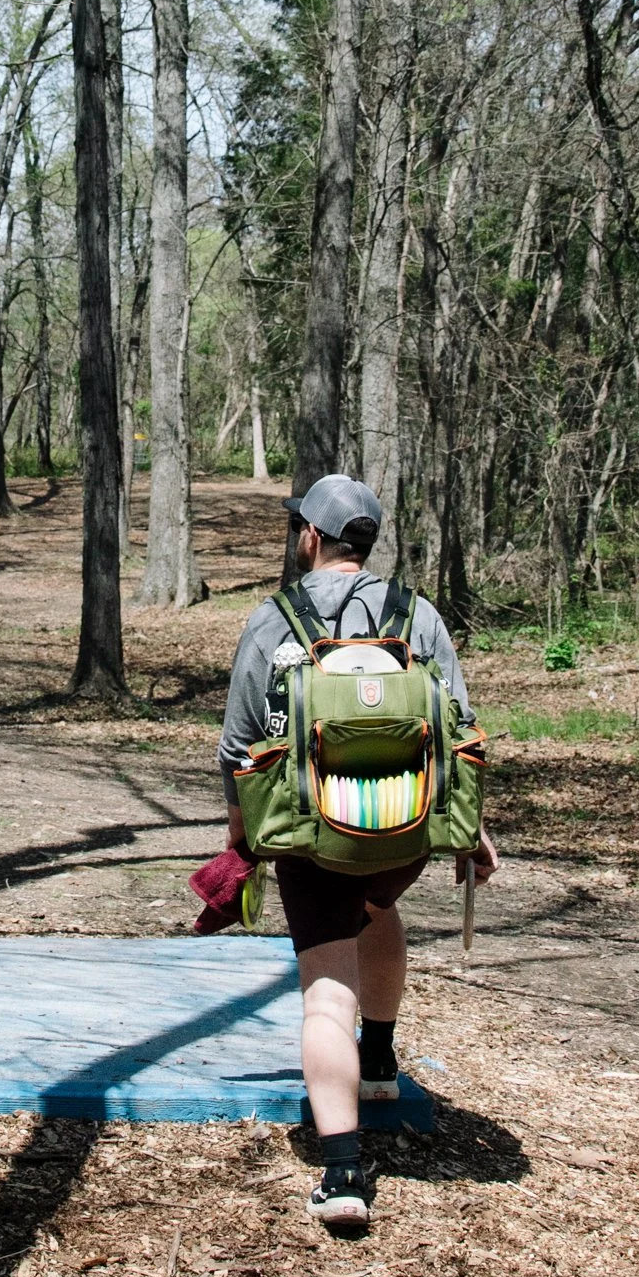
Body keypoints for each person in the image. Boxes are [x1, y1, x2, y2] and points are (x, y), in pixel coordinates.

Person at [217, 472, 496, 1236]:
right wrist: (471, 830)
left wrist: (238, 837)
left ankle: (342, 1170)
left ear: (309, 536)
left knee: (323, 991)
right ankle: (379, 1061)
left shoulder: (273, 621)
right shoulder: (417, 615)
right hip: (402, 834)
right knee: (377, 907)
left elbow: (238, 747)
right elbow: (460, 731)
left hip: (312, 836)